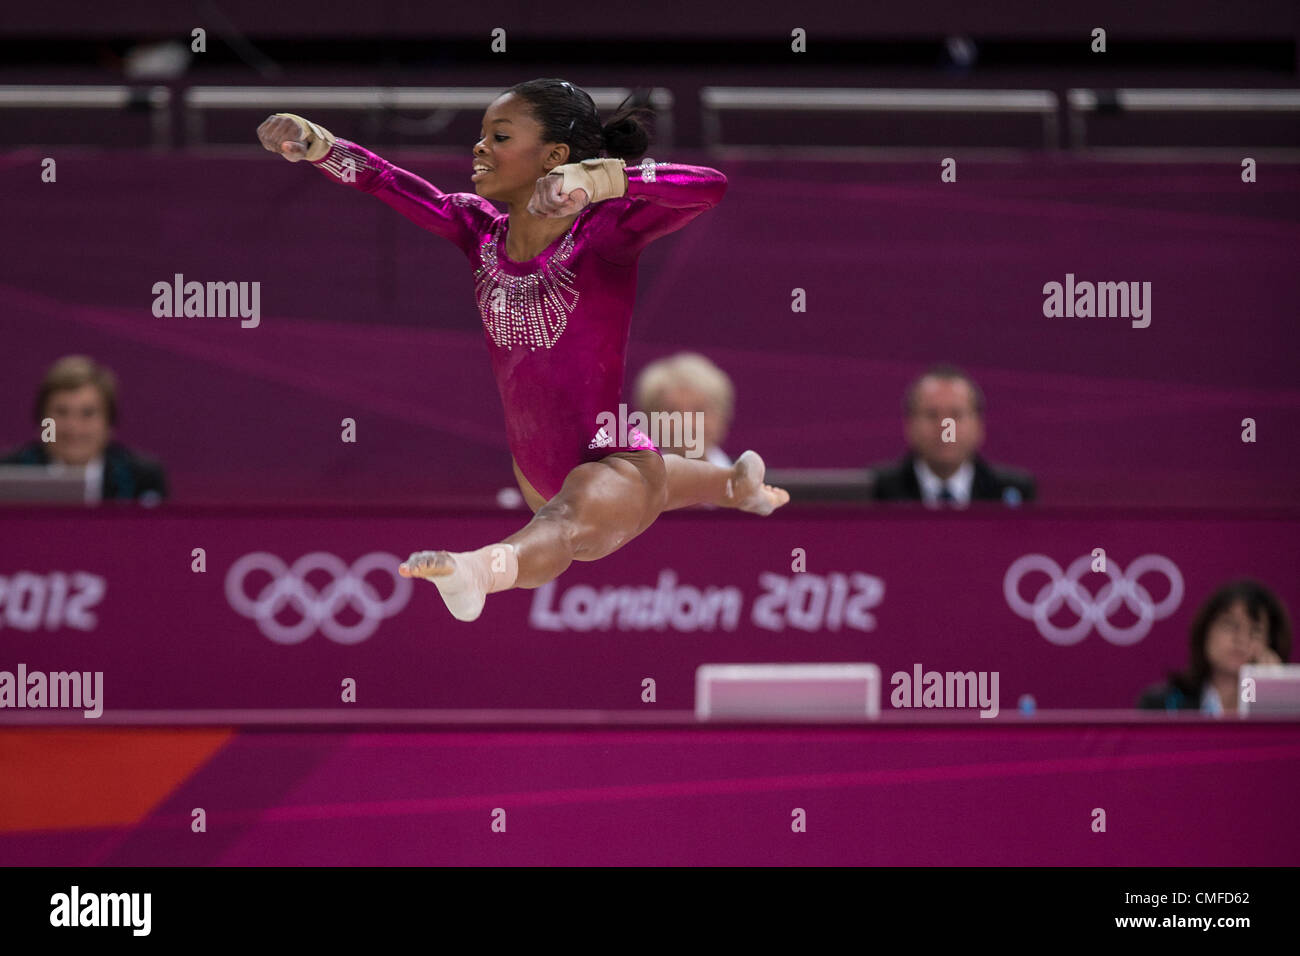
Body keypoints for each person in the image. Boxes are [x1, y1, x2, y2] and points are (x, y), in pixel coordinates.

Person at [256, 78, 788, 622]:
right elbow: (389, 182)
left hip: (611, 456)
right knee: (614, 500)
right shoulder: (477, 228)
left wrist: (604, 180)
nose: (479, 147)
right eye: (482, 135)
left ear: (554, 156)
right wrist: (321, 146)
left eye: (500, 136)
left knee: (571, 518)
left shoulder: (604, 232)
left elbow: (710, 186)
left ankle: (477, 572)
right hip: (535, 469)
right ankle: (733, 484)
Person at [0, 355, 167, 504]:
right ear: (41, 421)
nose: (73, 426)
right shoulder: (6, 470)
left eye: (88, 413)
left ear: (109, 424)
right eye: (61, 412)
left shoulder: (142, 478)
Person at [869, 363, 1035, 507]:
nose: (945, 428)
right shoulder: (876, 492)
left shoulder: (1012, 493)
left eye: (956, 415)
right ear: (910, 425)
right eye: (932, 415)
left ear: (978, 426)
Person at [1138, 579, 1291, 714]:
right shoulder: (1162, 704)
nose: (1241, 639)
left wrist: (1271, 695)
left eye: (1255, 631)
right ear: (1205, 632)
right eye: (1230, 625)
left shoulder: (1287, 707)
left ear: (1271, 643)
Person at [634, 352, 735, 466]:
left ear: (721, 417)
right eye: (672, 412)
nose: (686, 424)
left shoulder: (752, 481)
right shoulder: (631, 481)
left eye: (699, 411)